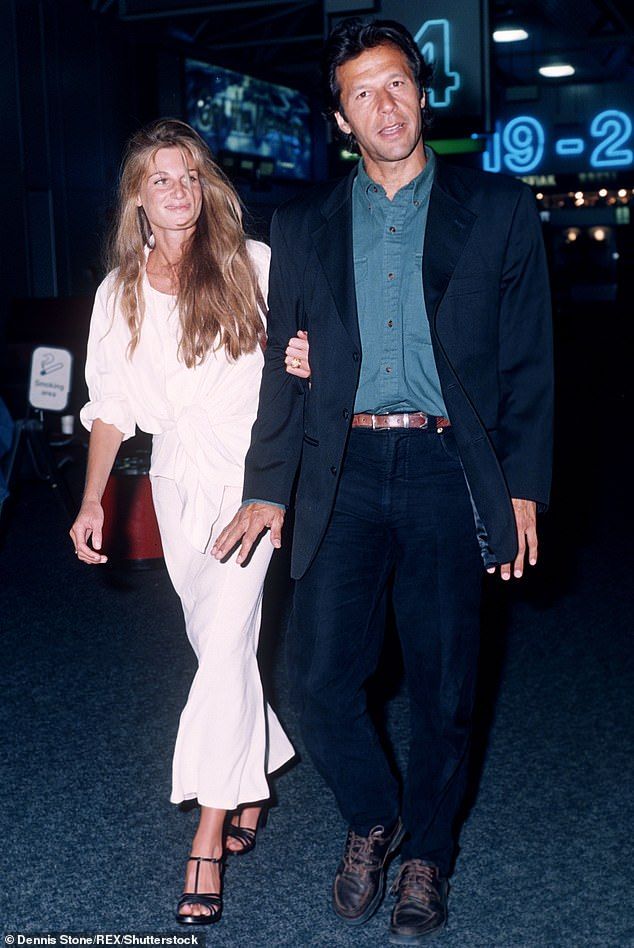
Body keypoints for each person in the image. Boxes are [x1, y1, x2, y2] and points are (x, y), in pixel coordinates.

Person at [212, 18, 553, 944]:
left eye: (396, 83)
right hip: (346, 468)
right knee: (320, 680)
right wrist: (267, 483)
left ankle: (427, 859)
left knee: (447, 690)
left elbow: (528, 363)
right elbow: (285, 377)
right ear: (340, 117)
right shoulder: (302, 225)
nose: (384, 105)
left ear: (421, 93)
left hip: (450, 467)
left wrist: (522, 486)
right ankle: (374, 814)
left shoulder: (498, 208)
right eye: (363, 92)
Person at [69, 118, 308, 926]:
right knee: (220, 646)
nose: (178, 191)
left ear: (207, 187)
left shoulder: (254, 265)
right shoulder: (120, 292)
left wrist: (306, 359)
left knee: (227, 642)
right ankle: (256, 766)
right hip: (174, 481)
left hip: (254, 480)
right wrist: (92, 497)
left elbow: (309, 355)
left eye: (189, 176)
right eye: (160, 180)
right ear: (138, 197)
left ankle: (207, 832)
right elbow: (109, 409)